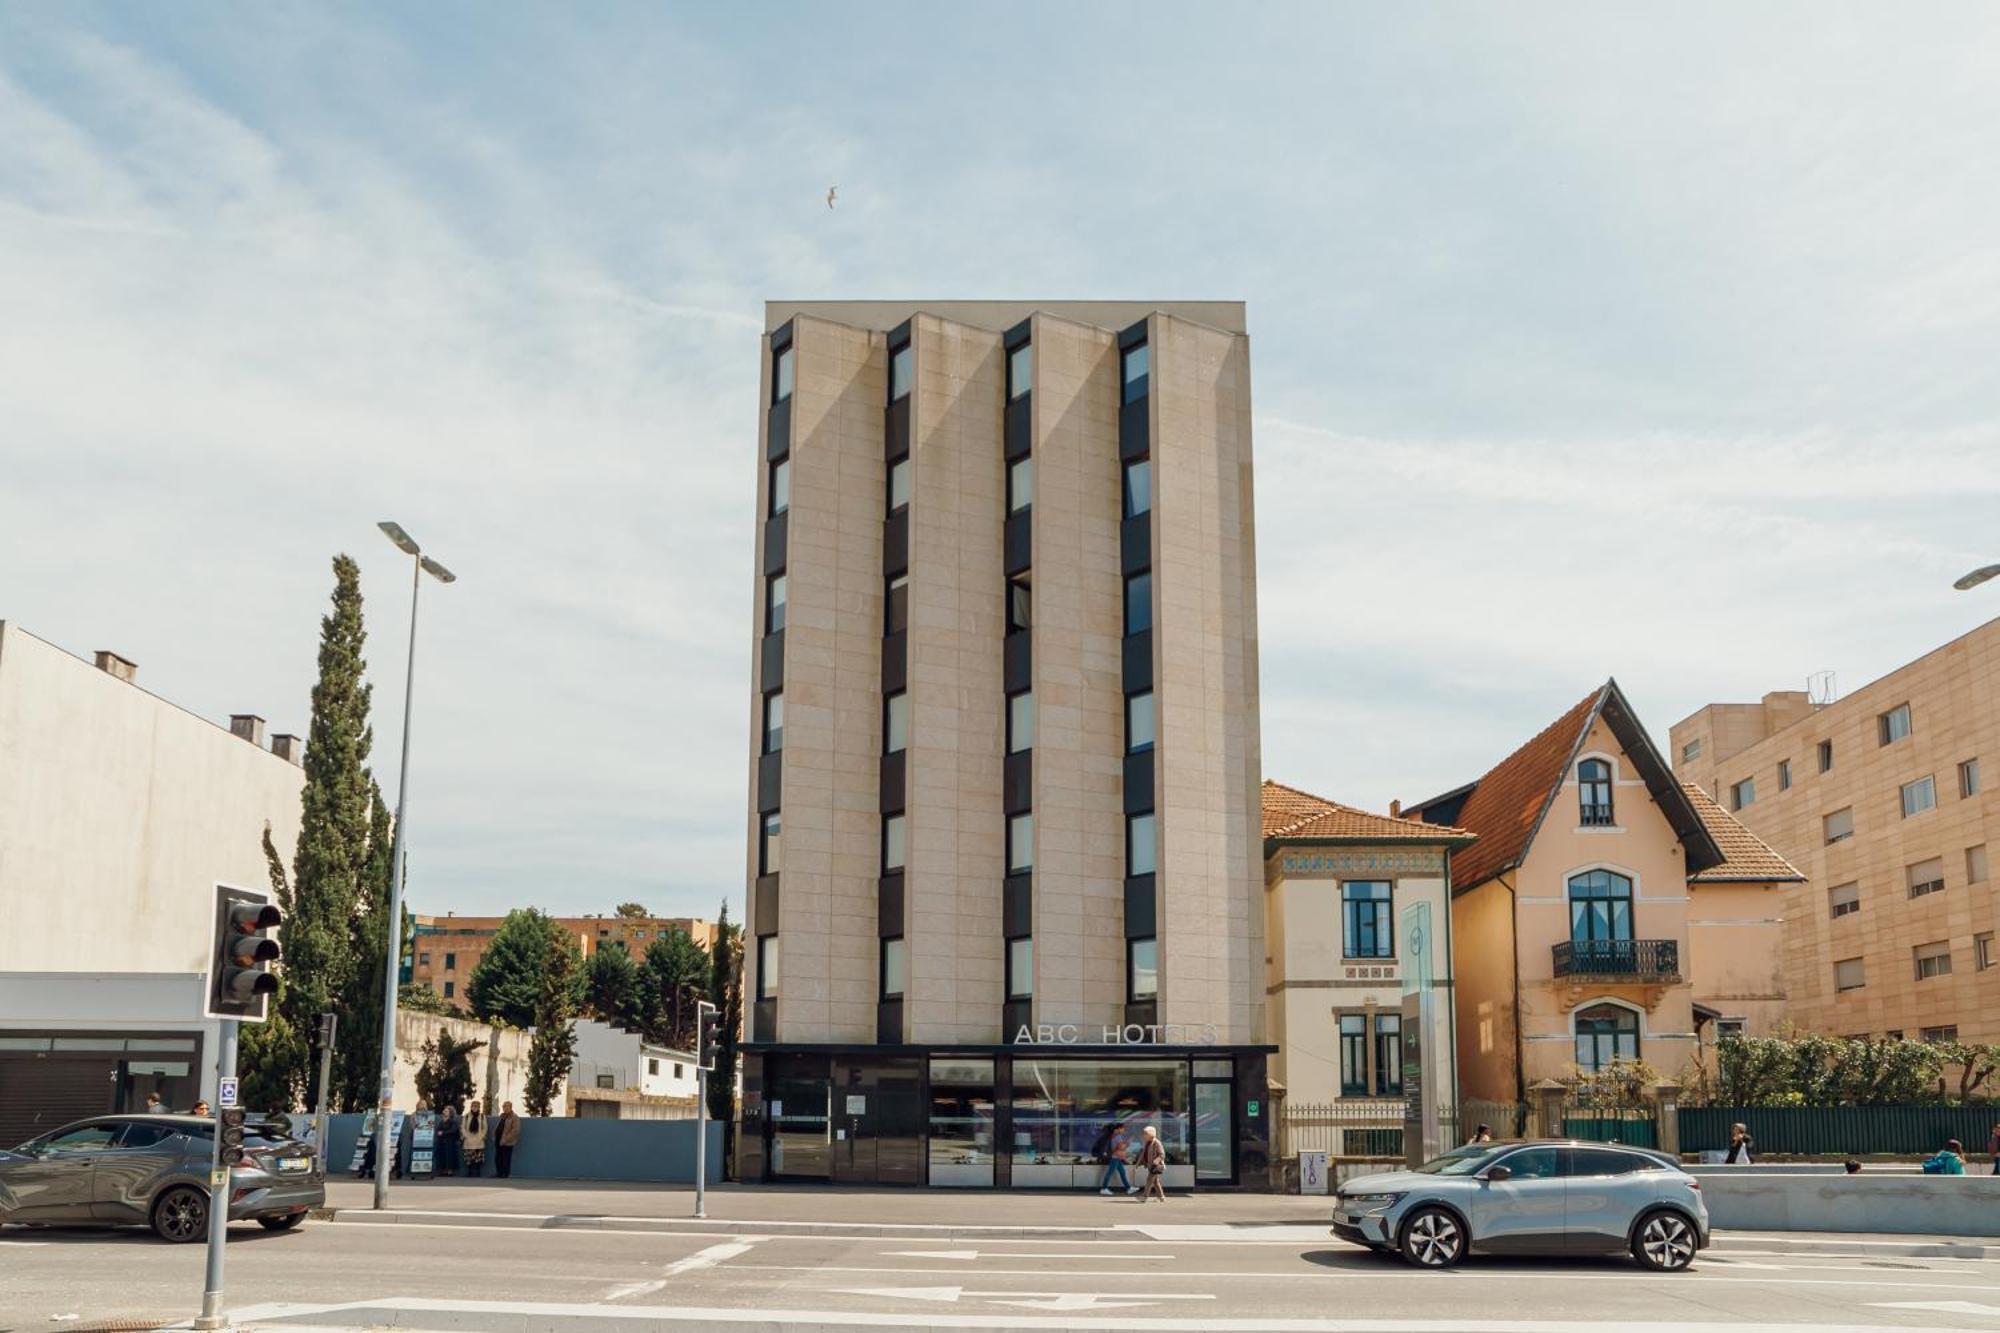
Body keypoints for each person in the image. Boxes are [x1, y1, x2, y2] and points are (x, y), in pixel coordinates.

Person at [1095, 1125, 1135, 1196]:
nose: (1124, 1130)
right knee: (1110, 1173)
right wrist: (1128, 1142)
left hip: (1117, 1157)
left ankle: (1128, 1188)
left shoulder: (1114, 1136)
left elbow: (1118, 1147)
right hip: (1115, 1157)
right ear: (1119, 1128)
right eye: (1123, 1129)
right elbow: (1121, 1147)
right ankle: (1104, 1188)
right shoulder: (1118, 1136)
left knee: (1122, 1172)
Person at [1137, 1124, 1168, 1202]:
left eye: (1145, 1134)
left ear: (1151, 1134)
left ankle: (1144, 1197)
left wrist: (1155, 1162)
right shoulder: (1147, 1143)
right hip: (1150, 1166)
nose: (1144, 1136)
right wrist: (1138, 1163)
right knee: (1156, 1182)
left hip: (1155, 1166)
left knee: (1149, 1181)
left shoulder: (1157, 1143)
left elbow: (1162, 1154)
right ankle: (1161, 1197)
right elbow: (1143, 1154)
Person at [495, 1101, 521, 1179]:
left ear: (511, 1107)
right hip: (498, 1140)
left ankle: (505, 1174)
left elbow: (515, 1130)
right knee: (498, 1158)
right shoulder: (502, 1116)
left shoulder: (514, 1117)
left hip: (507, 1142)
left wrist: (506, 1139)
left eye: (507, 1107)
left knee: (506, 1158)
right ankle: (499, 1173)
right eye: (504, 1107)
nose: (505, 1108)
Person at [437, 1102, 461, 1177]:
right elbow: (438, 1129)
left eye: (446, 1111)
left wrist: (443, 1133)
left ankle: (450, 1171)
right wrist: (439, 1132)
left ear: (450, 1113)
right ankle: (443, 1170)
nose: (444, 1112)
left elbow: (453, 1130)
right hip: (442, 1142)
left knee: (450, 1156)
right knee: (442, 1156)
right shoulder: (441, 1121)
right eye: (444, 1110)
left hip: (450, 1142)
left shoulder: (453, 1121)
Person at [463, 1103, 487, 1178]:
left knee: (478, 1158)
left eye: (477, 1106)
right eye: (473, 1106)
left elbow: (485, 1128)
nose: (475, 1108)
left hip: (479, 1140)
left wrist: (481, 1136)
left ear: (479, 1108)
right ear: (471, 1107)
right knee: (469, 1158)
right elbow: (463, 1127)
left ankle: (477, 1172)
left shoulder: (482, 1116)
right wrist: (467, 1137)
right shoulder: (466, 1116)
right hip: (468, 1140)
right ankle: (469, 1172)